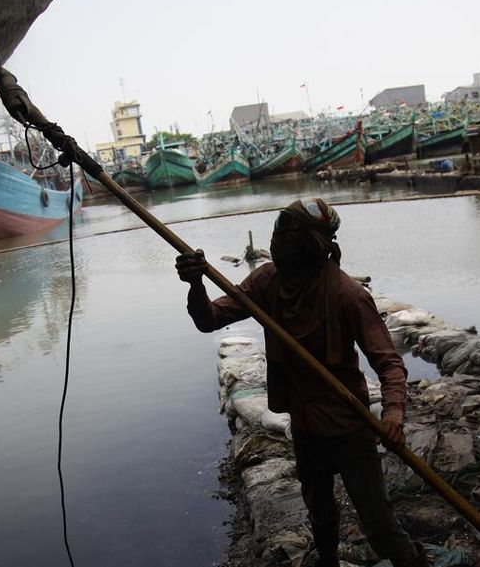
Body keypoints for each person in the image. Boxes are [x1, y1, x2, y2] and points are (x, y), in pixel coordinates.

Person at [175, 198, 427, 567]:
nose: (276, 241)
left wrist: (393, 413)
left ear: (310, 244)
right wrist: (196, 283)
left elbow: (388, 362)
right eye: (277, 231)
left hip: (348, 425)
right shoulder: (266, 281)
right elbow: (210, 318)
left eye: (286, 234)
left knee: (379, 525)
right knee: (321, 517)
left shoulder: (347, 295)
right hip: (305, 426)